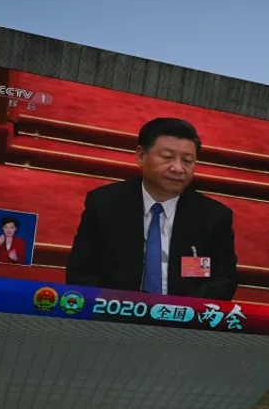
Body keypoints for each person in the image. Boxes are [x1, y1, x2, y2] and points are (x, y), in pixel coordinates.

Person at [66, 117, 237, 299]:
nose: (178, 168)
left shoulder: (213, 216)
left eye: (187, 161)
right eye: (167, 157)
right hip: (114, 314)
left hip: (182, 318)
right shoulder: (104, 203)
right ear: (141, 156)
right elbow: (80, 272)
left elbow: (224, 281)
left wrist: (183, 311)